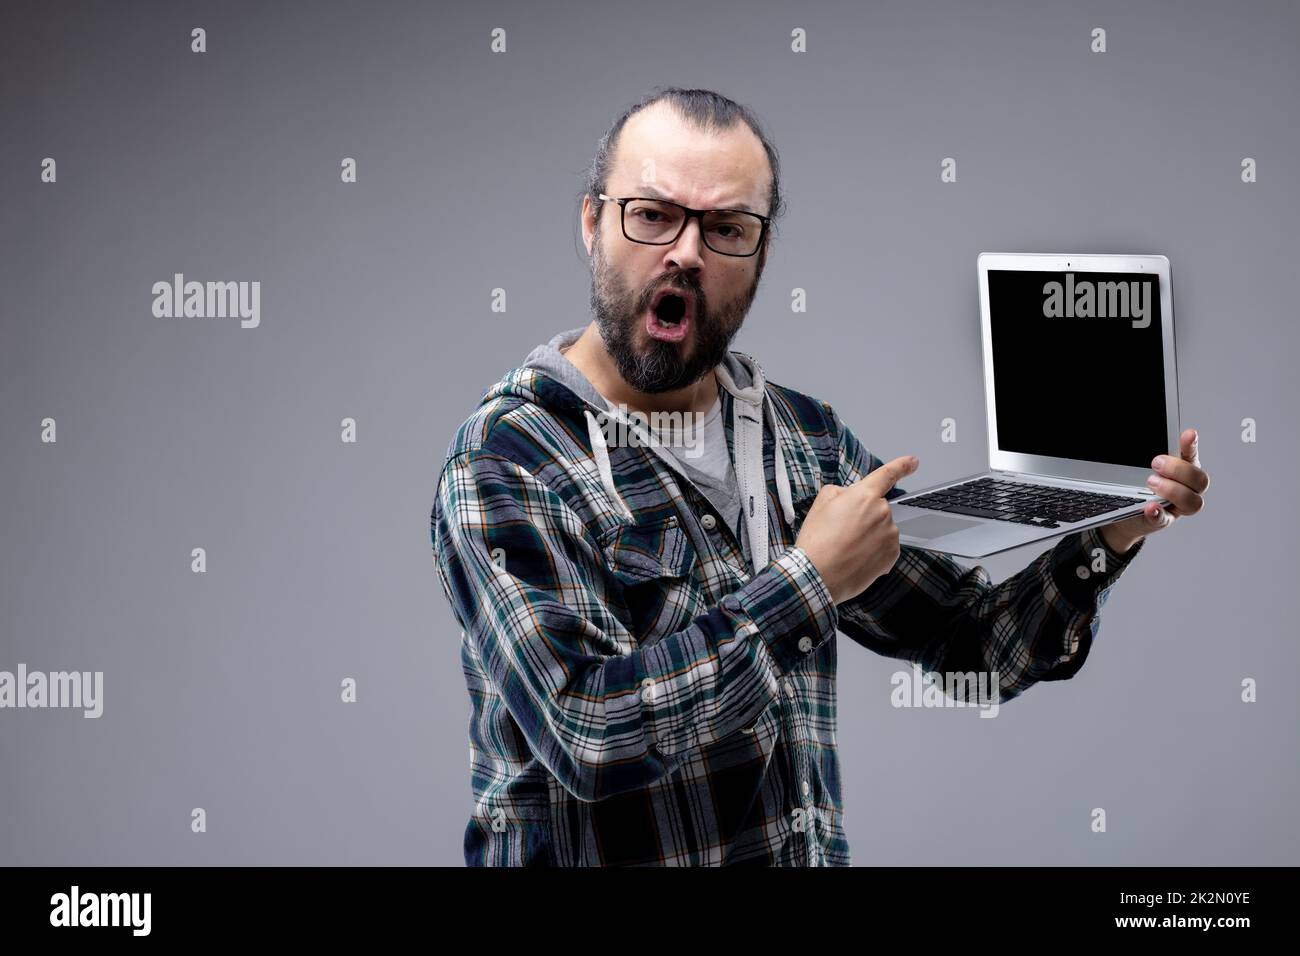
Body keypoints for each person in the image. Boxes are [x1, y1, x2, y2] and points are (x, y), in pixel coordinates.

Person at [430, 87, 1211, 866]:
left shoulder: (802, 440)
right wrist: (809, 580)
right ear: (594, 222)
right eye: (653, 214)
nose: (687, 253)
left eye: (726, 227)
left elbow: (972, 647)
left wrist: (1107, 535)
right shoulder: (507, 460)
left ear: (761, 255)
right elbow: (591, 736)